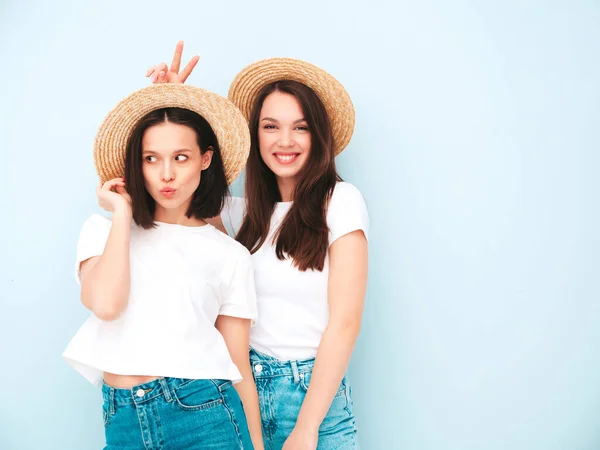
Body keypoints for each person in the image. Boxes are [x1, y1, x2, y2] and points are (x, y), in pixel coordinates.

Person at [147, 45, 369, 450]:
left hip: (311, 394)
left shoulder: (340, 202)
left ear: (317, 135)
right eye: (270, 126)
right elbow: (172, 187)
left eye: (300, 127)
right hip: (238, 390)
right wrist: (173, 106)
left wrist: (307, 427)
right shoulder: (237, 215)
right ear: (255, 133)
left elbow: (345, 323)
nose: (285, 140)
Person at [63, 83, 264, 449]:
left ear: (205, 159)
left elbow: (239, 367)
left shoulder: (229, 255)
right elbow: (106, 305)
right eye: (151, 159)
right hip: (124, 418)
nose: (166, 174)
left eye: (181, 157)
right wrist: (123, 212)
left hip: (206, 414)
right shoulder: (103, 231)